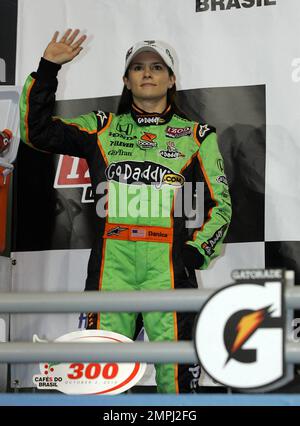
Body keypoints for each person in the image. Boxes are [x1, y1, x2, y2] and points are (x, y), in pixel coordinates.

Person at [19, 29, 232, 393]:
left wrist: (195, 252)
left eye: (156, 67)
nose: (147, 73)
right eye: (137, 68)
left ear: (171, 78)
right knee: (102, 372)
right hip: (110, 262)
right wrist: (48, 68)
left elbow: (220, 204)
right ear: (126, 79)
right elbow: (35, 132)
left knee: (175, 376)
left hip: (166, 264)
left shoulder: (197, 135)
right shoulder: (102, 128)